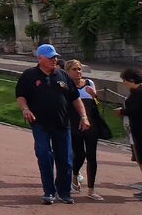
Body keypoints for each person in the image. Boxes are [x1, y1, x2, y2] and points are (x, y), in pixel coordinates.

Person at [15, 43, 89, 205]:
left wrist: (83, 116)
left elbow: (75, 98)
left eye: (55, 57)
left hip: (62, 124)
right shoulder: (29, 75)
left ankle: (64, 191)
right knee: (44, 155)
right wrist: (25, 109)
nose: (54, 60)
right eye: (50, 58)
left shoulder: (62, 75)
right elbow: (21, 95)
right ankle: (49, 191)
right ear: (40, 58)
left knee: (66, 159)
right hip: (40, 124)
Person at [65, 60, 105, 201]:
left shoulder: (89, 83)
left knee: (92, 156)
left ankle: (91, 190)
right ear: (68, 71)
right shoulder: (66, 86)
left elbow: (97, 104)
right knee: (79, 155)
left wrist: (94, 96)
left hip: (90, 123)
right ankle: (75, 174)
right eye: (75, 69)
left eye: (80, 69)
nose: (78, 72)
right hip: (74, 124)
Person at [115, 68, 142, 199]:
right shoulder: (136, 92)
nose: (123, 83)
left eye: (125, 80)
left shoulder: (139, 93)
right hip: (136, 129)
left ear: (131, 80)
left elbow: (136, 110)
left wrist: (122, 111)